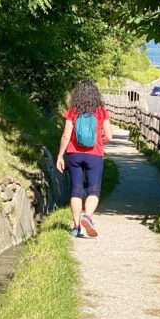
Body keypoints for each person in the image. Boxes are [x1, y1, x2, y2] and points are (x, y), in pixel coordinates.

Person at [56, 80, 112, 238]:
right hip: (95, 155)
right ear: (95, 94)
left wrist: (60, 155)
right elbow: (109, 135)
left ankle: (76, 227)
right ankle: (87, 217)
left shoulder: (73, 111)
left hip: (74, 155)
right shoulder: (101, 111)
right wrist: (99, 140)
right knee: (94, 190)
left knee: (76, 190)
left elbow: (66, 135)